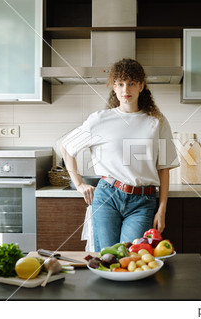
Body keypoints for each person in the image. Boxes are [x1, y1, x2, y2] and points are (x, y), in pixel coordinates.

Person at [60, 58, 179, 252]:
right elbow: (66, 146)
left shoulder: (157, 121)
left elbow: (163, 168)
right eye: (120, 84)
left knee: (129, 257)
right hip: (107, 196)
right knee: (106, 258)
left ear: (141, 86)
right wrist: (80, 184)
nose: (126, 90)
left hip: (142, 202)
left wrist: (162, 208)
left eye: (131, 83)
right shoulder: (99, 120)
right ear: (114, 87)